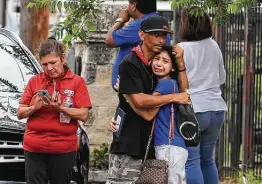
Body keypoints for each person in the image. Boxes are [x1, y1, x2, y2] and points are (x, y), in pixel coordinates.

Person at [106, 16, 190, 184]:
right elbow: (140, 102)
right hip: (129, 145)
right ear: (142, 35)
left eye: (164, 35)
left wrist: (180, 64)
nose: (160, 39)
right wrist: (174, 97)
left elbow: (184, 90)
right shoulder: (130, 63)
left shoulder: (159, 63)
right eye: (156, 35)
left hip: (152, 146)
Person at [17, 38, 92, 184]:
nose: (49, 68)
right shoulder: (35, 81)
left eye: (53, 62)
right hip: (34, 146)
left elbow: (84, 115)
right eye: (45, 64)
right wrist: (34, 108)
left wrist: (59, 108)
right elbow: (20, 113)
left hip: (63, 148)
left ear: (63, 59)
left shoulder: (76, 82)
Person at [120, 46, 188, 184]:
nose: (159, 64)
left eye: (165, 61)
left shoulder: (166, 85)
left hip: (168, 146)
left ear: (173, 68)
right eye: (156, 59)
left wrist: (128, 97)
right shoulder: (169, 84)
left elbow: (148, 115)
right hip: (173, 147)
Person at [177, 6, 227, 184]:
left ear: (185, 25)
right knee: (208, 160)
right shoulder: (214, 45)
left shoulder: (180, 48)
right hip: (217, 109)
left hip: (194, 110)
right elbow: (222, 78)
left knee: (192, 161)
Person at [105, 0, 171, 89]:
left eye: (129, 3)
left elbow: (109, 40)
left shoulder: (141, 24)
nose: (161, 40)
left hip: (134, 85)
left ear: (134, 6)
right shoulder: (158, 22)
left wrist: (121, 20)